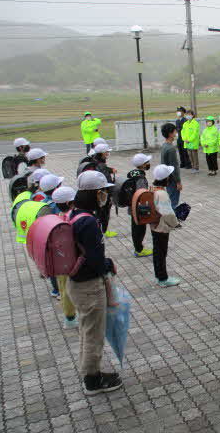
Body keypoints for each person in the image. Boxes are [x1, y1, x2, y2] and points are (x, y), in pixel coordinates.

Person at [68, 170, 123, 395]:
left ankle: (88, 369)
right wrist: (107, 265)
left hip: (76, 283)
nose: (106, 196)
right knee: (93, 334)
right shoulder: (88, 222)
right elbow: (95, 258)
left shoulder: (74, 213)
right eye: (104, 192)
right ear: (95, 193)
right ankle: (93, 380)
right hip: (89, 287)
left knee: (86, 329)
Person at [51, 186, 79, 328]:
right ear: (70, 203)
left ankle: (69, 316)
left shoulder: (54, 217)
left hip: (58, 260)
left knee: (63, 288)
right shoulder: (71, 218)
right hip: (70, 259)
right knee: (70, 288)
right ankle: (71, 317)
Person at [150, 165, 182, 287]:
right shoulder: (162, 194)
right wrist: (176, 224)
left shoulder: (153, 189)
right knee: (161, 253)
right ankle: (163, 279)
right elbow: (168, 213)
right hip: (161, 227)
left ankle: (159, 276)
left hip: (154, 225)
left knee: (157, 251)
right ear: (166, 178)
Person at [128, 153, 153, 258]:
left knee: (135, 227)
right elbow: (141, 194)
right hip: (138, 208)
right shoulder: (141, 178)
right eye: (147, 162)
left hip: (132, 205)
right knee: (139, 229)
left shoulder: (132, 174)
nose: (149, 164)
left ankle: (138, 248)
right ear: (142, 165)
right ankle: (139, 250)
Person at [93, 143, 118, 238]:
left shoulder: (95, 161)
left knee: (99, 212)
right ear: (103, 153)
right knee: (104, 212)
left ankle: (100, 229)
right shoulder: (101, 164)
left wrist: (110, 170)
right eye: (107, 152)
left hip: (97, 191)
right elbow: (107, 181)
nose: (108, 154)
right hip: (104, 193)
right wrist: (111, 194)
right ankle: (103, 230)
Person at [160, 123, 182, 213]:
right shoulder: (171, 148)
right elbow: (174, 168)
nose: (176, 132)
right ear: (170, 134)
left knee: (170, 199)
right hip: (172, 179)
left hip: (166, 178)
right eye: (174, 131)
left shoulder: (164, 145)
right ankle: (172, 222)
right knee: (173, 202)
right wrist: (178, 182)